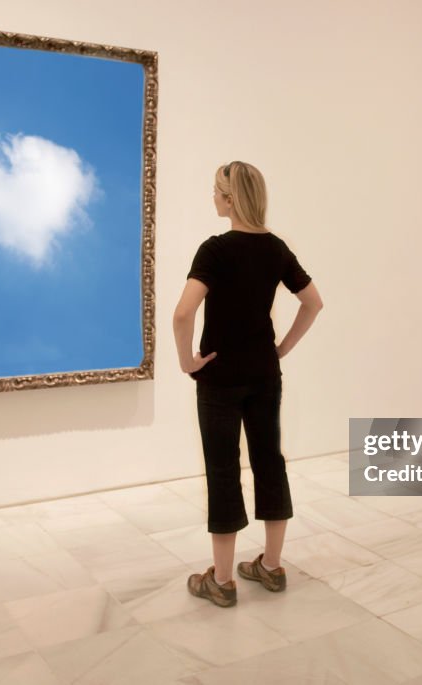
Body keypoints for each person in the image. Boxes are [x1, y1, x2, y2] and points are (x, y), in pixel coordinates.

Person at [172, 161, 323, 608]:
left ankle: (221, 579)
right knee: (269, 462)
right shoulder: (276, 248)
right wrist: (281, 350)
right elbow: (313, 303)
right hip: (263, 374)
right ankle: (272, 567)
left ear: (231, 198)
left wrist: (187, 362)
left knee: (223, 469)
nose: (213, 197)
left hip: (218, 377)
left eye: (216, 191)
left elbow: (183, 313)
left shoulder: (214, 250)